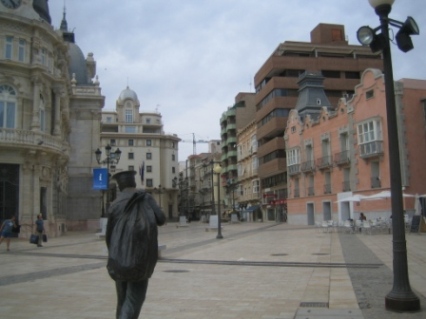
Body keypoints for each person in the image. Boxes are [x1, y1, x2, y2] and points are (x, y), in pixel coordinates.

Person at [106, 170, 166, 319]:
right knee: (134, 300)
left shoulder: (115, 204)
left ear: (120, 186)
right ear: (133, 182)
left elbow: (109, 235)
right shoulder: (145, 198)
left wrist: (115, 255)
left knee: (122, 301)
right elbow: (161, 219)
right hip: (139, 259)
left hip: (118, 259)